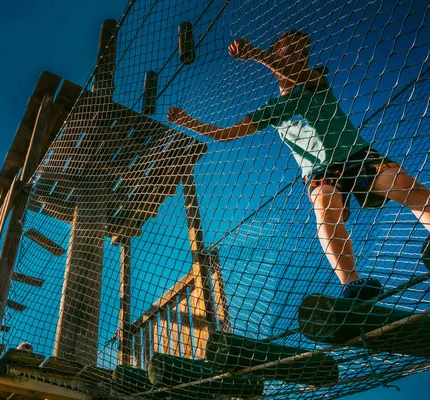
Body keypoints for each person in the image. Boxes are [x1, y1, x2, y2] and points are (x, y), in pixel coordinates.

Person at [167, 30, 430, 300]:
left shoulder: (315, 81)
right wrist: (188, 122)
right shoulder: (272, 109)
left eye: (302, 52)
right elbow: (225, 134)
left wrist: (257, 55)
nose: (298, 57)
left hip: (357, 154)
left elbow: (293, 71)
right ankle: (352, 284)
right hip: (320, 171)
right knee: (325, 208)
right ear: (276, 53)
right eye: (289, 50)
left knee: (401, 183)